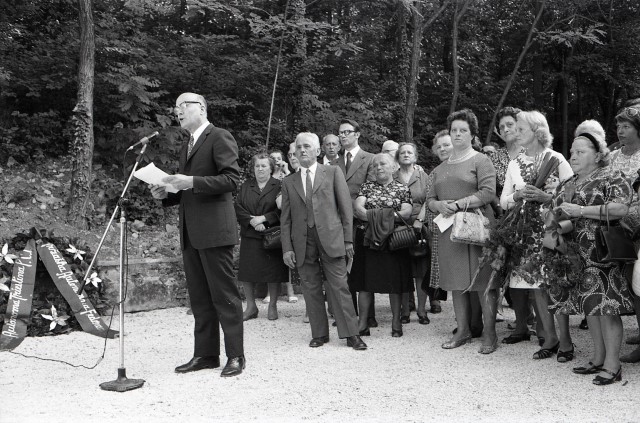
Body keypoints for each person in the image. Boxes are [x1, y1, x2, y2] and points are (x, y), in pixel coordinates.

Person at [150, 92, 244, 377]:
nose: (177, 111)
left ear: (201, 108)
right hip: (191, 233)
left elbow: (231, 179)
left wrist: (190, 180)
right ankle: (205, 355)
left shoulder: (219, 136)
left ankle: (236, 356)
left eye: (183, 105)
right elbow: (188, 190)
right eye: (176, 107)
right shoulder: (187, 144)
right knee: (200, 299)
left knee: (225, 296)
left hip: (215, 232)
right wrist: (166, 193)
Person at [549, 129, 634, 385]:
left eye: (580, 151)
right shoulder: (568, 183)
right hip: (576, 255)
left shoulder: (611, 176)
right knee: (591, 307)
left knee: (607, 307)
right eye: (572, 152)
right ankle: (598, 358)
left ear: (597, 155)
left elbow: (621, 208)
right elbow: (560, 215)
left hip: (602, 252)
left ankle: (613, 365)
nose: (573, 156)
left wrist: (581, 210)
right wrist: (555, 222)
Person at [280, 132, 367, 351]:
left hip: (332, 238)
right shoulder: (289, 182)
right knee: (310, 288)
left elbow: (346, 209)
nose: (302, 150)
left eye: (307, 146)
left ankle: (352, 334)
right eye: (299, 147)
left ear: (318, 151)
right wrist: (287, 248)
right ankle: (319, 333)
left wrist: (348, 240)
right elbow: (286, 219)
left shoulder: (333, 172)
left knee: (340, 287)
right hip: (302, 242)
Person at [500, 111, 574, 360]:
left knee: (555, 284)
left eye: (521, 129)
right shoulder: (514, 163)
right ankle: (550, 338)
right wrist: (517, 196)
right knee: (538, 287)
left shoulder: (557, 159)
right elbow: (503, 201)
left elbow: (574, 196)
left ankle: (566, 341)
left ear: (537, 131)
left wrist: (547, 198)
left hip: (551, 230)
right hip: (526, 234)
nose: (515, 132)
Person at [426, 109, 499, 354]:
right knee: (456, 282)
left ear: (472, 134)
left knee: (483, 282)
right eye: (454, 130)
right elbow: (430, 199)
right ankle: (463, 330)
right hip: (449, 230)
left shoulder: (481, 160)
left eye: (463, 130)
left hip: (477, 227)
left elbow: (488, 193)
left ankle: (490, 334)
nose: (457, 134)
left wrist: (458, 204)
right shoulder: (439, 168)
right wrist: (439, 205)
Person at [353, 153, 414, 337]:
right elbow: (358, 209)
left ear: (394, 167)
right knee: (364, 283)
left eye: (383, 164)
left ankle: (396, 323)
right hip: (368, 240)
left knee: (395, 283)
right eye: (375, 165)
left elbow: (407, 212)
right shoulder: (366, 187)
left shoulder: (402, 188)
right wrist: (387, 216)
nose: (378, 167)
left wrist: (376, 216)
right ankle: (362, 324)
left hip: (393, 241)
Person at [332, 119, 377, 327]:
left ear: (357, 134)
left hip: (361, 222)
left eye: (347, 132)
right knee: (343, 270)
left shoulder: (370, 159)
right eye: (340, 133)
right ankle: (349, 315)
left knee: (363, 269)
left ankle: (369, 317)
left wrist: (352, 207)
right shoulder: (334, 162)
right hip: (339, 222)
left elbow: (371, 190)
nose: (342, 136)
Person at [235, 153, 289, 321]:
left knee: (273, 272)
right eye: (257, 166)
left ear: (271, 168)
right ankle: (251, 307)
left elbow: (283, 209)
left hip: (271, 235)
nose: (260, 169)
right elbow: (238, 206)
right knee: (247, 272)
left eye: (264, 166)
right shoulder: (246, 185)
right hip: (250, 234)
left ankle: (273, 305)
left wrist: (264, 219)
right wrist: (252, 221)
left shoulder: (279, 185)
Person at [609, 105, 640, 363]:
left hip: (637, 228)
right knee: (628, 282)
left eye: (626, 126)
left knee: (637, 282)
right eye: (618, 126)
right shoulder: (612, 156)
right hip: (615, 227)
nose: (620, 131)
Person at [394, 142, 430, 325]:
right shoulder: (392, 177)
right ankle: (405, 311)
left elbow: (429, 200)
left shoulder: (424, 176)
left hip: (419, 228)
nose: (406, 155)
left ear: (415, 157)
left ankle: (422, 311)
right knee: (402, 271)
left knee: (421, 271)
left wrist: (420, 220)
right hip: (398, 228)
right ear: (398, 157)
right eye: (403, 153)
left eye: (410, 152)